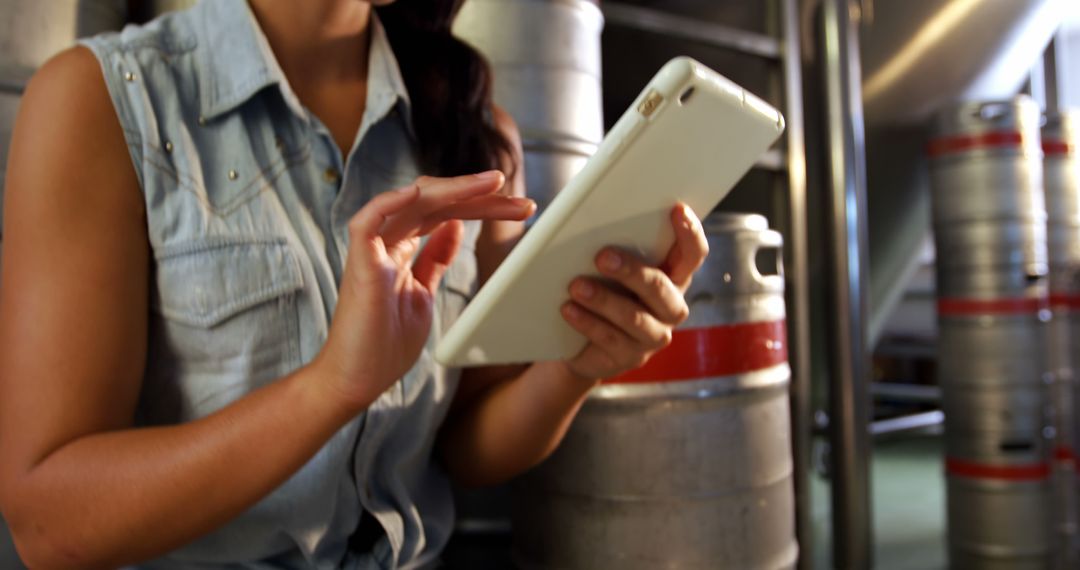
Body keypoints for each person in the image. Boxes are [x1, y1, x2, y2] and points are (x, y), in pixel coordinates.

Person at [0, 0, 708, 567]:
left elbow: (464, 442)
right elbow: (50, 524)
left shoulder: (473, 131)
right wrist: (331, 386)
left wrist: (574, 369)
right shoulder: (103, 99)